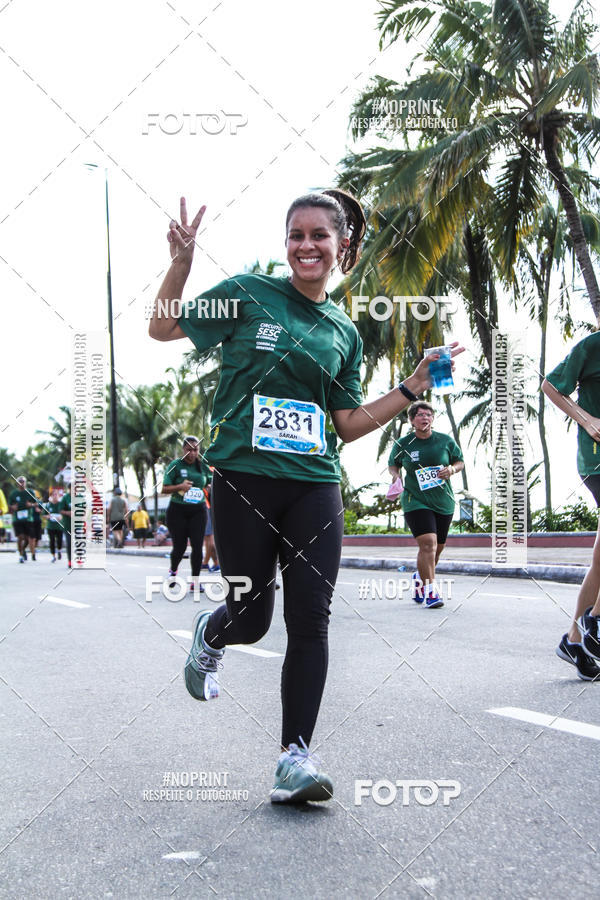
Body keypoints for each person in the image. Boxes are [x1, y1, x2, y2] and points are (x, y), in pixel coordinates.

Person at [149, 191, 463, 803]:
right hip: (243, 477)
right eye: (296, 234)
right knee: (252, 618)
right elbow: (162, 327)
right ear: (286, 243)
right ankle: (212, 634)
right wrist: (181, 264)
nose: (306, 245)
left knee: (311, 619)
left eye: (320, 235)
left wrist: (410, 386)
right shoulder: (248, 293)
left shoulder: (344, 332)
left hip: (316, 482)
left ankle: (294, 758)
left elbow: (347, 424)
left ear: (342, 245)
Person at [542, 331, 600, 681]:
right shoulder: (592, 345)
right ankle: (595, 621)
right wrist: (587, 419)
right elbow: (551, 386)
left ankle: (575, 640)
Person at [388, 402, 464, 608]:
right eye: (420, 415)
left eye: (429, 415)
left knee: (437, 549)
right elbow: (393, 464)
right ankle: (431, 592)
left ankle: (419, 578)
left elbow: (459, 461)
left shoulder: (445, 441)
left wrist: (452, 470)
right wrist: (396, 476)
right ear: (412, 420)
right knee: (428, 544)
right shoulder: (404, 443)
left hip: (443, 501)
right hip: (415, 500)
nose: (425, 418)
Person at [162, 435, 211, 593]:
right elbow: (164, 488)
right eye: (189, 449)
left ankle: (195, 582)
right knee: (180, 547)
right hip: (178, 510)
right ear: (183, 449)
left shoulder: (202, 465)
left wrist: (208, 487)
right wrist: (180, 487)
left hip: (198, 510)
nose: (192, 453)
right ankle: (173, 571)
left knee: (197, 546)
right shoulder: (175, 465)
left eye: (195, 450)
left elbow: (210, 481)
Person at [9, 476, 37, 562]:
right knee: (20, 537)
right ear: (17, 483)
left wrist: (30, 505)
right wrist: (13, 507)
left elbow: (36, 503)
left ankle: (23, 549)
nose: (21, 483)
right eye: (20, 482)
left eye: (23, 482)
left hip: (28, 519)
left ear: (25, 482)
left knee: (28, 538)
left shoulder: (30, 492)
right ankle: (20, 555)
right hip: (17, 519)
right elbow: (10, 505)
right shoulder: (14, 493)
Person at [45, 488, 64, 562]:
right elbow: (44, 514)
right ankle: (53, 555)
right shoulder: (48, 505)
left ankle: (59, 550)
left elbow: (64, 513)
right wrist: (48, 516)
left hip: (59, 526)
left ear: (58, 496)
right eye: (53, 495)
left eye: (56, 494)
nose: (55, 496)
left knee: (59, 540)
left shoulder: (61, 504)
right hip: (51, 526)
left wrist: (61, 516)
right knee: (52, 540)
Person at [60, 487, 72, 568]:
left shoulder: (80, 497)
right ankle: (70, 561)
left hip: (78, 525)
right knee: (69, 543)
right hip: (67, 525)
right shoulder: (65, 498)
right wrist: (68, 513)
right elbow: (60, 510)